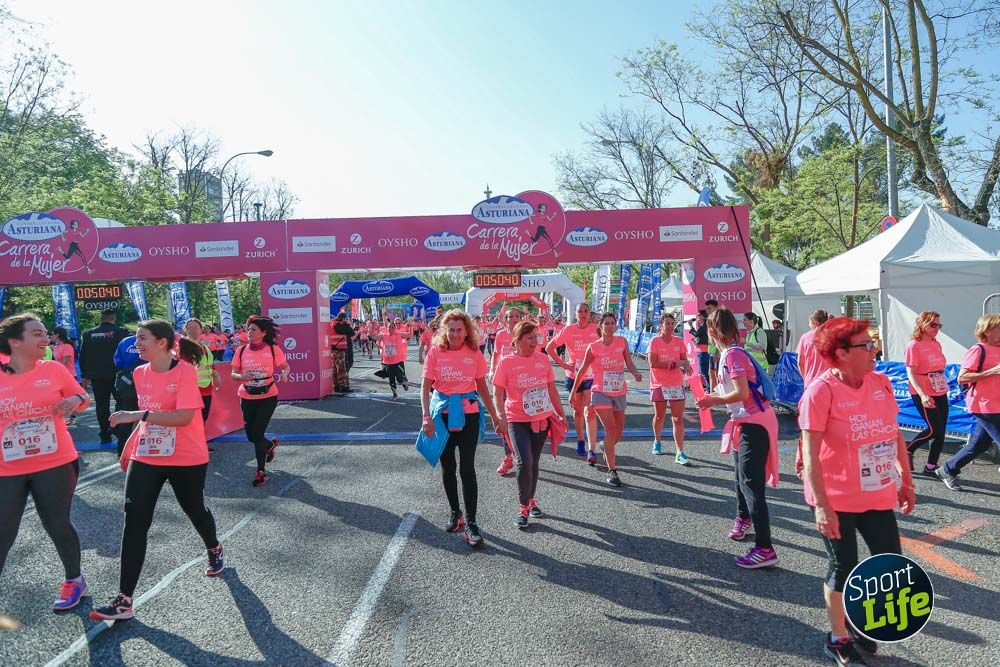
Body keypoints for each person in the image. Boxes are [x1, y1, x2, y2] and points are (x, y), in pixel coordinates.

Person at [798, 317, 916, 664]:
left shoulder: (880, 383)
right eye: (866, 345)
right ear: (841, 353)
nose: (873, 350)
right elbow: (809, 453)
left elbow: (893, 432)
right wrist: (821, 506)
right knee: (844, 565)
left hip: (876, 494)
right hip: (835, 498)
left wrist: (905, 479)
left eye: (872, 344)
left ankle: (858, 618)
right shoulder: (820, 392)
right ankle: (837, 637)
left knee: (888, 565)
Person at [91, 319, 224, 622]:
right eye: (136, 339)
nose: (136, 344)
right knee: (134, 519)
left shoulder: (185, 371)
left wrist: (138, 414)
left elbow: (183, 417)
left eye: (142, 339)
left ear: (162, 342)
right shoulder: (139, 373)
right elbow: (147, 420)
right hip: (148, 454)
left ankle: (213, 546)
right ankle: (124, 600)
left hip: (186, 456)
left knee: (195, 510)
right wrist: (129, 447)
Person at [0, 314, 91, 611]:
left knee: (56, 523)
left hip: (54, 462)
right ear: (15, 341)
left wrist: (73, 402)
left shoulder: (52, 369)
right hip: (7, 466)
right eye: (37, 334)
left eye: (45, 334)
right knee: (3, 529)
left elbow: (81, 395)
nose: (45, 339)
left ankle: (74, 579)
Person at [695, 307, 780, 569]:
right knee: (740, 477)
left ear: (711, 331)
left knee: (751, 484)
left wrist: (713, 400)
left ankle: (765, 548)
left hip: (754, 422)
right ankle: (744, 519)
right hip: (746, 421)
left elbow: (742, 392)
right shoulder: (729, 354)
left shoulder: (732, 355)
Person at [419, 310, 502, 548]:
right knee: (448, 468)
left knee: (467, 469)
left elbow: (483, 388)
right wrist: (426, 416)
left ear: (467, 332)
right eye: (451, 329)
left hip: (469, 416)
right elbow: (425, 387)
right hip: (441, 416)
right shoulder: (436, 352)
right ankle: (456, 514)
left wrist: (495, 416)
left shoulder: (474, 353)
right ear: (444, 331)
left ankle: (472, 524)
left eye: (459, 330)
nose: (455, 334)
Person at [494, 321, 566, 528]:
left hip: (541, 418)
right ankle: (523, 507)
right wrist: (500, 415)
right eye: (530, 338)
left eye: (536, 337)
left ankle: (531, 499)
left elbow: (551, 389)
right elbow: (498, 392)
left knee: (533, 463)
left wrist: (560, 414)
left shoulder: (543, 359)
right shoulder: (506, 362)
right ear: (517, 341)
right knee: (524, 461)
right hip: (516, 419)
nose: (535, 342)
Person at [571, 312, 642, 487]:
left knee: (618, 433)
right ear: (600, 327)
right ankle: (612, 471)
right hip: (600, 392)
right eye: (607, 323)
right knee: (610, 429)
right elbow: (582, 370)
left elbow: (629, 362)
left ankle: (604, 445)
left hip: (619, 391)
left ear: (616, 326)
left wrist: (635, 373)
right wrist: (573, 391)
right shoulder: (593, 347)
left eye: (612, 323)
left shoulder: (622, 342)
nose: (610, 326)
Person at [936, 315, 1000, 491]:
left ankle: (948, 469)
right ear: (986, 330)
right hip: (984, 404)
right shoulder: (978, 350)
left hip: (997, 403)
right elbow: (962, 377)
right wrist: (991, 371)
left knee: (980, 444)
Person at [231, 316, 289, 487]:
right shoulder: (240, 351)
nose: (249, 332)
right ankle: (269, 445)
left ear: (263, 333)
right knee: (251, 436)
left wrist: (285, 373)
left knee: (257, 434)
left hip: (268, 397)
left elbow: (285, 366)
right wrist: (241, 376)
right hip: (247, 396)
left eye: (254, 329)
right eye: (249, 329)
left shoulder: (272, 349)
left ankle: (260, 472)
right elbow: (233, 374)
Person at [546, 302, 599, 461]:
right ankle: (580, 439)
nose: (582, 314)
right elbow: (549, 347)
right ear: (575, 314)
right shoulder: (568, 330)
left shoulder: (595, 329)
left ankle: (591, 448)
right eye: (579, 311)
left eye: (585, 311)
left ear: (589, 314)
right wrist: (563, 364)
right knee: (577, 411)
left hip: (591, 376)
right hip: (573, 375)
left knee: (590, 411)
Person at [904, 311, 950, 476]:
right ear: (922, 325)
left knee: (941, 430)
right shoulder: (913, 345)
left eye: (939, 325)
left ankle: (931, 466)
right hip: (922, 389)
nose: (937, 328)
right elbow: (911, 373)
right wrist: (923, 394)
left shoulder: (936, 343)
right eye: (933, 325)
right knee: (933, 429)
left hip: (938, 388)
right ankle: (907, 450)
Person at [78, 309, 129, 445]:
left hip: (97, 375)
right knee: (122, 402)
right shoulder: (121, 333)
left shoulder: (88, 334)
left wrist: (84, 374)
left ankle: (104, 433)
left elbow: (83, 355)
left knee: (101, 405)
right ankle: (120, 430)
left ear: (101, 319)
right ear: (114, 319)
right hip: (118, 375)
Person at [647, 313, 691, 463]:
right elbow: (652, 363)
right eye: (667, 323)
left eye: (672, 323)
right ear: (661, 325)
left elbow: (684, 359)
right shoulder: (654, 341)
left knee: (677, 418)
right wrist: (673, 364)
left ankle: (680, 452)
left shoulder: (679, 341)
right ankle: (657, 440)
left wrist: (688, 366)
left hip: (676, 384)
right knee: (660, 416)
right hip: (659, 384)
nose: (670, 326)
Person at [491, 307, 523, 476]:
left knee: (523, 420)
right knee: (505, 418)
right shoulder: (501, 335)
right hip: (504, 381)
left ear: (521, 318)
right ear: (506, 319)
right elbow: (496, 355)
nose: (513, 319)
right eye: (510, 316)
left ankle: (524, 453)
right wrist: (492, 370)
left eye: (516, 316)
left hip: (523, 383)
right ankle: (508, 456)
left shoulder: (526, 333)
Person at [182, 319, 222, 425]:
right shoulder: (182, 348)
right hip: (191, 390)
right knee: (194, 421)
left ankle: (199, 440)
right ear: (185, 330)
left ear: (201, 330)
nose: (193, 330)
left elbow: (210, 366)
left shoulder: (204, 347)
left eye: (196, 327)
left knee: (203, 419)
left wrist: (216, 376)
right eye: (189, 328)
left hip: (206, 389)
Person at [374, 321, 409, 399]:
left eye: (393, 327)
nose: (391, 328)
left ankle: (403, 383)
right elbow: (374, 337)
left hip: (398, 361)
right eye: (389, 327)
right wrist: (372, 327)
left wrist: (411, 324)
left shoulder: (399, 335)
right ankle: (395, 394)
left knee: (400, 378)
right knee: (391, 379)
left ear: (395, 328)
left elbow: (410, 334)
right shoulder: (383, 336)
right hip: (388, 362)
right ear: (387, 328)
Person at [329, 313, 354, 394]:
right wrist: (347, 324)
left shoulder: (332, 323)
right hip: (339, 349)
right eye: (345, 319)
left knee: (335, 369)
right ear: (343, 318)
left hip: (333, 348)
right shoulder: (338, 325)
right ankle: (343, 386)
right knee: (341, 368)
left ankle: (336, 386)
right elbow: (351, 332)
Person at [688, 310, 711, 390]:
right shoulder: (705, 325)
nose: (698, 317)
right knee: (704, 371)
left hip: (704, 351)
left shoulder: (704, 326)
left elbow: (696, 334)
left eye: (699, 315)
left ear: (703, 316)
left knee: (704, 371)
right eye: (698, 315)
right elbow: (698, 336)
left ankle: (709, 388)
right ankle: (708, 387)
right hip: (703, 350)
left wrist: (691, 326)